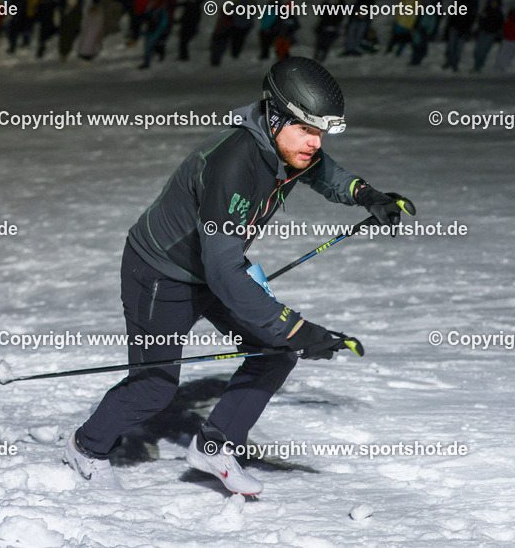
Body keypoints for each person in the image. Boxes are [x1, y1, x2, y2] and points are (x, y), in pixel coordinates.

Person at [61, 57, 411, 493]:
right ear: (276, 117)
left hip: (212, 265)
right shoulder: (233, 164)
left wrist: (366, 194)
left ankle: (214, 445)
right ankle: (86, 447)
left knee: (275, 352)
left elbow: (322, 171)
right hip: (159, 273)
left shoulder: (285, 147)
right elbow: (225, 273)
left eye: (320, 132)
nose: (315, 142)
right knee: (154, 387)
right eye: (307, 129)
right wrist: (294, 327)